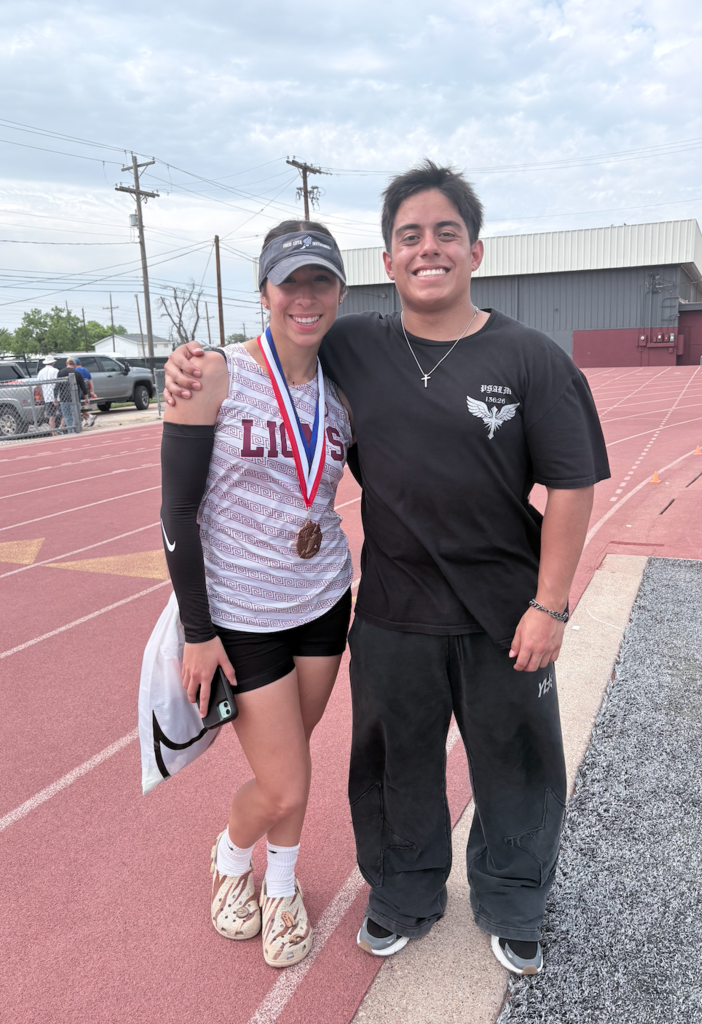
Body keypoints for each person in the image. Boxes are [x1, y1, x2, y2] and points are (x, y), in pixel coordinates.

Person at [164, 161, 610, 976]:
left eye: (446, 234)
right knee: (394, 764)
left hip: (504, 609)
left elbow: (573, 485)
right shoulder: (354, 343)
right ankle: (403, 894)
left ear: (476, 250)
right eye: (410, 236)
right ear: (387, 259)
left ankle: (514, 899)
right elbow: (277, 334)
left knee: (516, 759)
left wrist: (551, 604)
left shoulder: (533, 358)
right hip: (392, 611)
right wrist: (188, 359)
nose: (428, 248)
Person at [160, 221, 354, 967]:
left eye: (320, 282)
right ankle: (233, 858)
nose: (305, 297)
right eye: (290, 282)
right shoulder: (212, 373)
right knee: (282, 783)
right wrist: (196, 628)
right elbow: (177, 511)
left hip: (324, 600)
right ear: (265, 291)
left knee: (293, 761)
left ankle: (280, 884)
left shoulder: (342, 391)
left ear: (339, 291)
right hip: (241, 619)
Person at [55, 357, 88, 433]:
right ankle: (75, 431)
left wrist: (55, 398)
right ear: (75, 365)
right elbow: (84, 387)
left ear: (66, 364)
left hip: (64, 399)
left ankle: (70, 432)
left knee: (67, 417)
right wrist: (86, 398)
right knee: (75, 416)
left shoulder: (60, 373)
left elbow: (57, 386)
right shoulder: (78, 374)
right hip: (75, 399)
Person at [37, 353, 59, 430]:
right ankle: (61, 429)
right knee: (63, 414)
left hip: (47, 397)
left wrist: (42, 394)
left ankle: (53, 432)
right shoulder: (55, 370)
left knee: (51, 417)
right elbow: (58, 383)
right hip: (56, 396)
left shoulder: (40, 372)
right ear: (52, 363)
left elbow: (38, 385)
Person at [74, 358, 96, 427]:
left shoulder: (75, 371)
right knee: (83, 407)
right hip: (86, 391)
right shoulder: (86, 370)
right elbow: (90, 382)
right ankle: (86, 421)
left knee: (79, 407)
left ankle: (90, 416)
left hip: (78, 391)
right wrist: (92, 391)